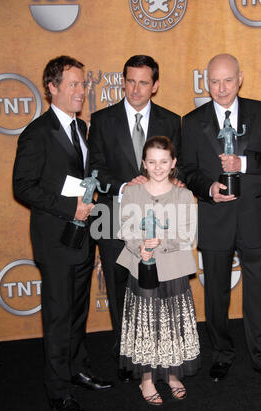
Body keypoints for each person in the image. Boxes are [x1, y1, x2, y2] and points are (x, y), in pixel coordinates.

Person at [181, 53, 261, 384]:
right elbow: (187, 170)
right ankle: (222, 353)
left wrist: (242, 164)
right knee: (216, 291)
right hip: (214, 217)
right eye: (214, 81)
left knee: (259, 290)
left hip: (252, 216)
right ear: (206, 82)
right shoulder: (191, 120)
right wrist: (208, 188)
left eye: (228, 80)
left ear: (240, 78)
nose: (221, 88)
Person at [13, 56, 113, 411]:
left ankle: (77, 367)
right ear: (51, 87)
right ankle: (57, 390)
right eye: (73, 84)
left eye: (83, 84)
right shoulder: (36, 133)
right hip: (56, 241)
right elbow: (22, 186)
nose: (81, 91)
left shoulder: (83, 128)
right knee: (58, 317)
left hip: (83, 239)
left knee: (77, 312)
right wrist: (69, 208)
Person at [88, 55, 181, 382]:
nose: (135, 89)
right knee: (118, 288)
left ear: (154, 85)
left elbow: (176, 167)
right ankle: (127, 354)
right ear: (123, 80)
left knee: (155, 287)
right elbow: (93, 170)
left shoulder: (171, 120)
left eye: (143, 82)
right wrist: (127, 185)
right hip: (113, 218)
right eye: (130, 81)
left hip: (158, 223)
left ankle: (158, 351)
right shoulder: (101, 120)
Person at [116, 136, 200, 405]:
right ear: (144, 163)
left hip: (173, 268)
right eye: (152, 162)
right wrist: (140, 246)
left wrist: (161, 242)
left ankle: (174, 374)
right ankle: (147, 378)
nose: (158, 167)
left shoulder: (184, 195)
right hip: (141, 266)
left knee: (172, 321)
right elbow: (126, 228)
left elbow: (187, 234)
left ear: (173, 163)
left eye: (164, 161)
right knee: (146, 322)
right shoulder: (131, 192)